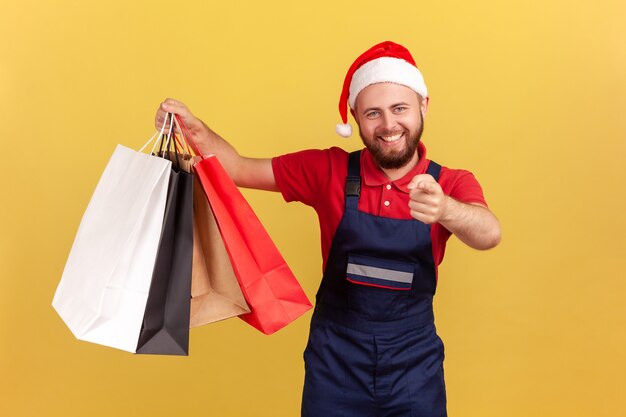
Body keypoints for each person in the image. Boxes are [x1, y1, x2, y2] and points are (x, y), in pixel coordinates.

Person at [156, 41, 501, 417]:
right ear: (355, 116)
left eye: (399, 108)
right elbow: (237, 168)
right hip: (334, 364)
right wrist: (195, 130)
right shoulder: (328, 171)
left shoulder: (450, 182)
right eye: (373, 113)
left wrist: (446, 208)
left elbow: (488, 233)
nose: (388, 125)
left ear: (423, 106)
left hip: (414, 367)